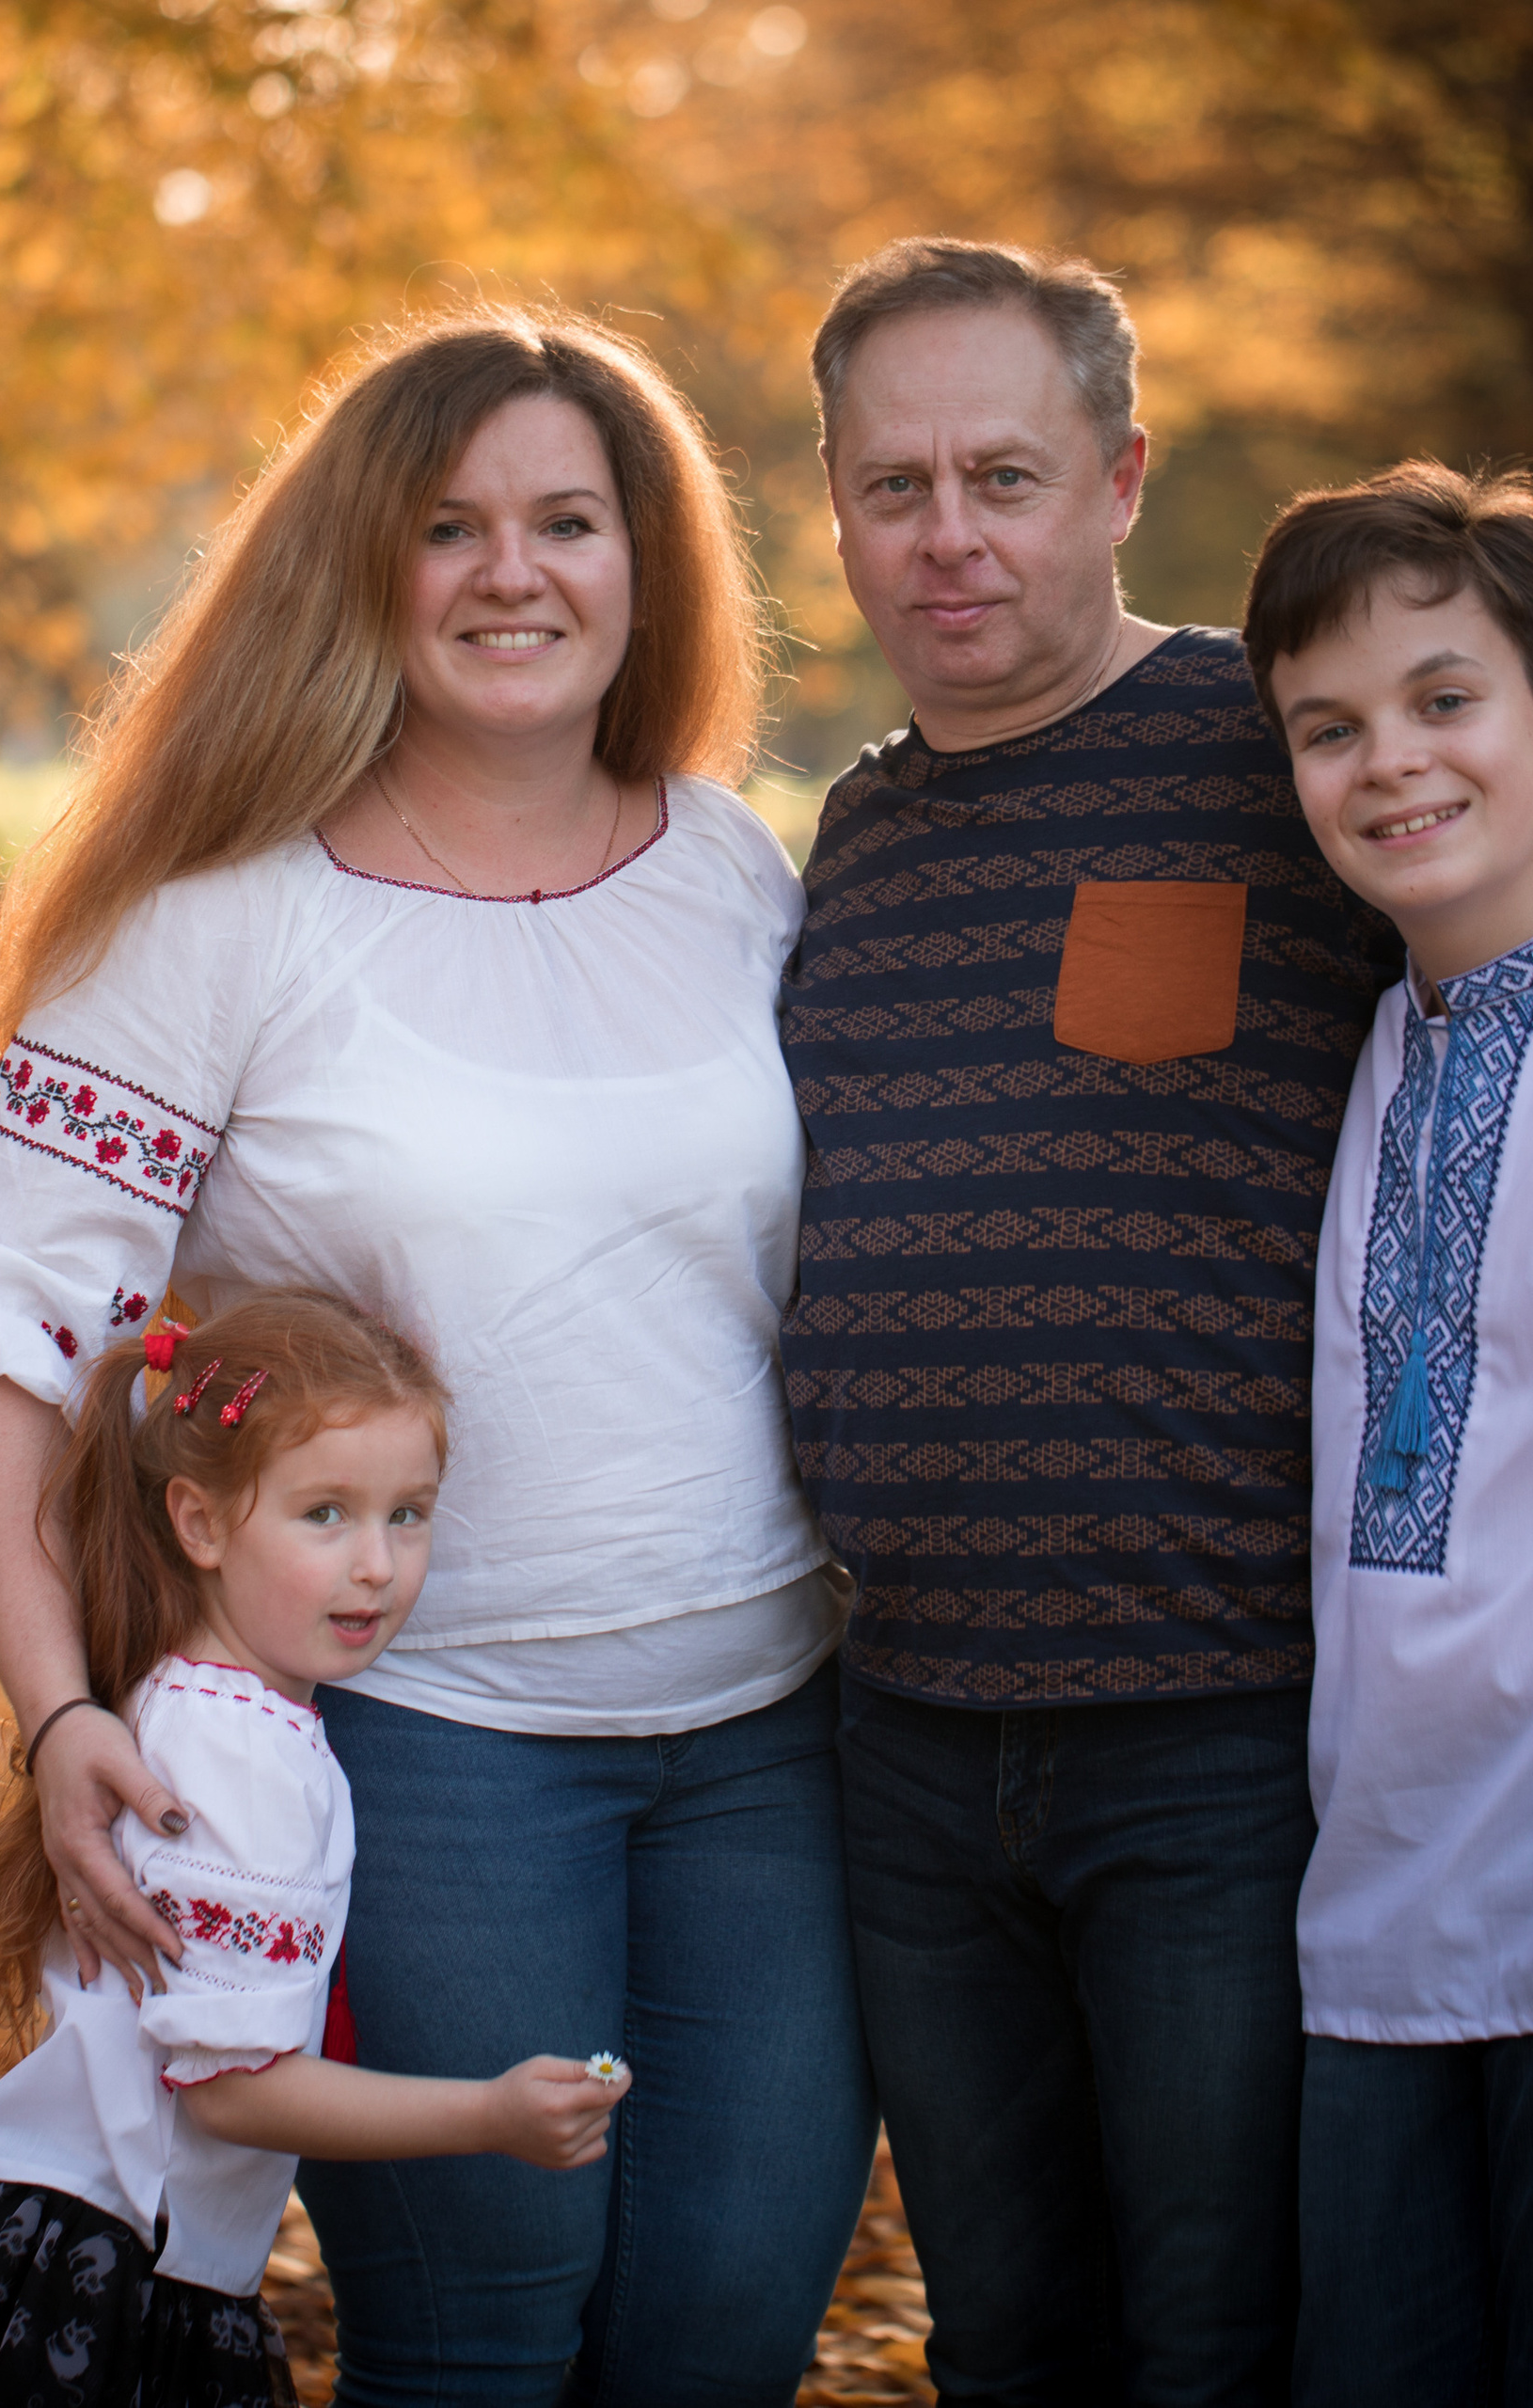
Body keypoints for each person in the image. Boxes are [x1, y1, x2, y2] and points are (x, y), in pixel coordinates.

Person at [0, 307, 877, 2403]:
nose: (512, 571)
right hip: (429, 1743)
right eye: (447, 525)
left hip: (768, 1734)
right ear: (363, 562)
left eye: (567, 521)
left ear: (645, 562)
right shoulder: (213, 916)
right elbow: (7, 1338)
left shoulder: (725, 866)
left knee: (723, 2330)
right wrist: (57, 1712)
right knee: (480, 2339)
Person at [778, 237, 1401, 2404]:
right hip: (905, 1738)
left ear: (1118, 478)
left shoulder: (1275, 755)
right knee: (1005, 2335)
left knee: (1212, 2337)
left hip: (1212, 1732)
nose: (944, 535)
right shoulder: (851, 837)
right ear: (834, 509)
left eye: (1003, 476)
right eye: (892, 485)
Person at [0, 1294, 630, 2408]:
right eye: (325, 1514)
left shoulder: (199, 1700)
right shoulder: (241, 1758)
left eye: (407, 1513)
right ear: (201, 1522)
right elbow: (230, 2093)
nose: (376, 1564)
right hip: (97, 2272)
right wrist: (488, 2114)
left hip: (61, 2226)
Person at [1241, 462, 1533, 2408]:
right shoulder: (1376, 1037)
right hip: (1379, 1906)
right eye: (1327, 727)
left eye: (1445, 698)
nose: (1389, 762)